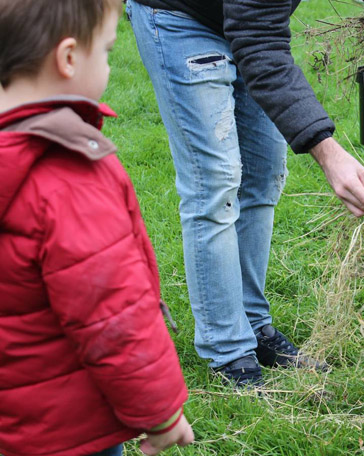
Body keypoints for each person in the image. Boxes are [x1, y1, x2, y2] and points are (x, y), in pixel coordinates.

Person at [125, 0, 364, 386]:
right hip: (180, 18)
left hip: (248, 21)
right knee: (215, 184)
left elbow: (256, 34)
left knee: (262, 177)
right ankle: (227, 347)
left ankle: (254, 326)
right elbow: (259, 44)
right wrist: (327, 152)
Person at [0, 1, 194, 455]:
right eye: (106, 51)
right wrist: (161, 413)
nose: (108, 65)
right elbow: (114, 316)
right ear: (68, 59)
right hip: (69, 428)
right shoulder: (68, 179)